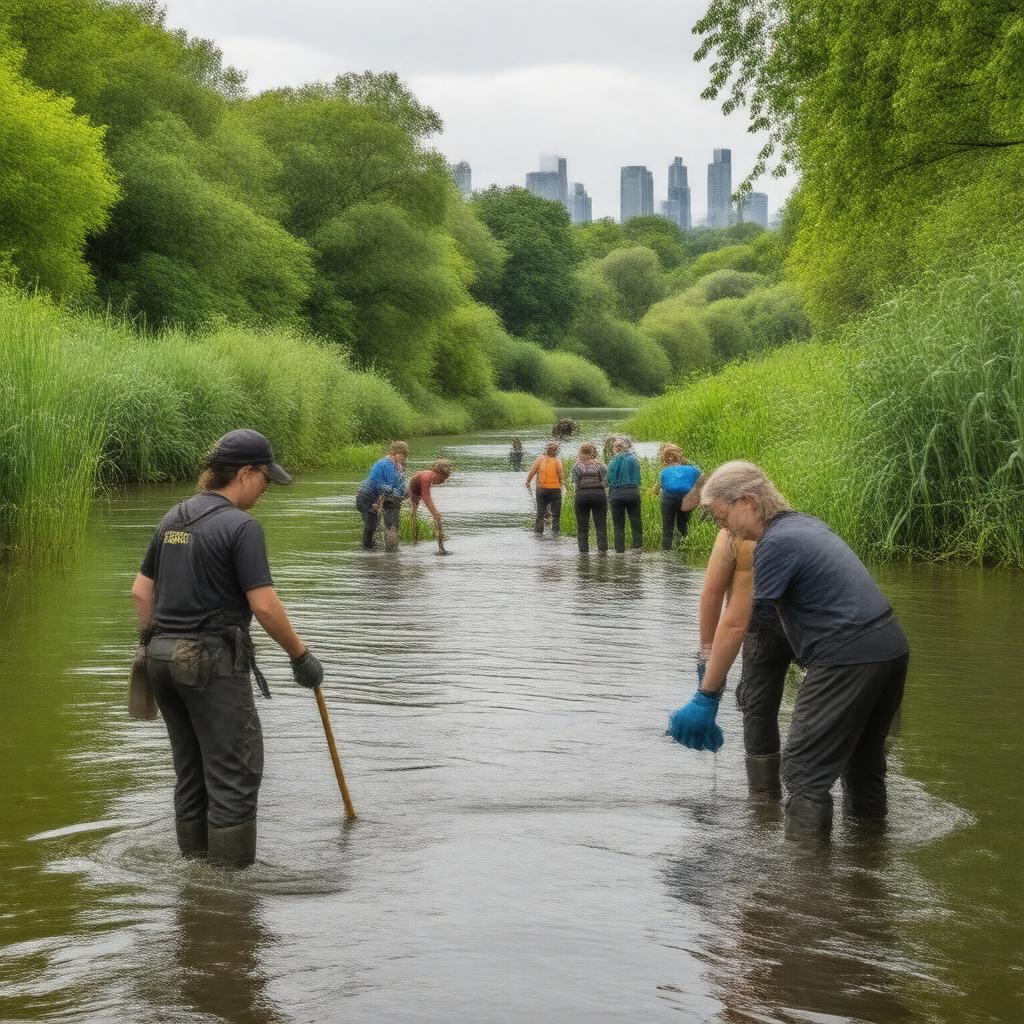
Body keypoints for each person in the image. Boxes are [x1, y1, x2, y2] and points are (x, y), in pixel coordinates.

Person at [671, 461, 909, 840]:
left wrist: (706, 695)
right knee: (863, 765)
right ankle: (869, 866)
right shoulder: (805, 524)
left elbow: (738, 623)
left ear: (746, 502)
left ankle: (801, 887)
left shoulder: (775, 544)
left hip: (846, 657)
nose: (723, 527)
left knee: (803, 770)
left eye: (721, 516)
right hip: (889, 648)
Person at [130, 429, 324, 868]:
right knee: (234, 772)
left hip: (160, 659)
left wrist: (156, 646)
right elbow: (265, 605)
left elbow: (141, 594)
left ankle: (194, 880)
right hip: (209, 663)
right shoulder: (241, 526)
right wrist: (301, 657)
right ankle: (232, 895)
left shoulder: (172, 518)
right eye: (266, 478)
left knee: (191, 770)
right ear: (246, 472)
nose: (268, 487)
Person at [687, 519, 795, 798]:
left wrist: (707, 652)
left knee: (759, 708)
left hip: (759, 625)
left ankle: (762, 800)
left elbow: (713, 592)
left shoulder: (732, 536)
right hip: (809, 626)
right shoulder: (791, 526)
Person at [355, 441, 409, 550]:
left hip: (382, 497)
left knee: (391, 523)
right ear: (395, 453)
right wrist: (380, 501)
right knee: (371, 526)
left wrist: (405, 493)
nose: (403, 457)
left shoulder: (399, 468)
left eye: (404, 455)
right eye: (401, 454)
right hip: (367, 498)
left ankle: (389, 549)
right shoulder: (382, 464)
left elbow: (399, 486)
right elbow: (376, 482)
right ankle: (367, 551)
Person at [650, 443, 701, 550]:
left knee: (667, 529)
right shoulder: (693, 469)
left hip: (668, 499)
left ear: (665, 459)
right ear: (680, 455)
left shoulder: (664, 472)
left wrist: (651, 492)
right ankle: (683, 549)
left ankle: (666, 553)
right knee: (683, 526)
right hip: (686, 499)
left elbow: (655, 490)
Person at [571, 442, 609, 554]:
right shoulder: (601, 465)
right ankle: (602, 552)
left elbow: (573, 480)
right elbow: (607, 482)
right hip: (598, 495)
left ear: (581, 452)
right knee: (601, 525)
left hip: (581, 495)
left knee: (582, 527)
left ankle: (583, 553)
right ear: (593, 452)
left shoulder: (576, 466)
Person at [607, 438, 643, 552]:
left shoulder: (612, 462)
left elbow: (610, 481)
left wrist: (610, 497)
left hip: (617, 494)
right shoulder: (634, 460)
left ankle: (619, 550)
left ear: (615, 449)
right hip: (633, 493)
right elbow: (638, 478)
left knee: (618, 524)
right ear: (628, 447)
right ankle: (637, 547)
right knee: (636, 521)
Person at [409, 459, 452, 544]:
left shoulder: (429, 475)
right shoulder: (427, 478)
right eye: (442, 479)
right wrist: (435, 513)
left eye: (444, 480)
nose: (442, 482)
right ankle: (414, 538)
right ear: (437, 472)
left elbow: (424, 495)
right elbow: (426, 496)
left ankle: (416, 539)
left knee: (414, 513)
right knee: (413, 513)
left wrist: (435, 513)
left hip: (417, 490)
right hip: (411, 491)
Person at [525, 441, 565, 535]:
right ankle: (555, 533)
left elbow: (532, 471)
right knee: (556, 515)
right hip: (555, 490)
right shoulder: (557, 461)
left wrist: (528, 482)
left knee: (540, 514)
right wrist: (562, 486)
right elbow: (561, 476)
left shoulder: (540, 459)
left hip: (541, 490)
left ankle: (538, 533)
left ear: (546, 450)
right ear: (556, 451)